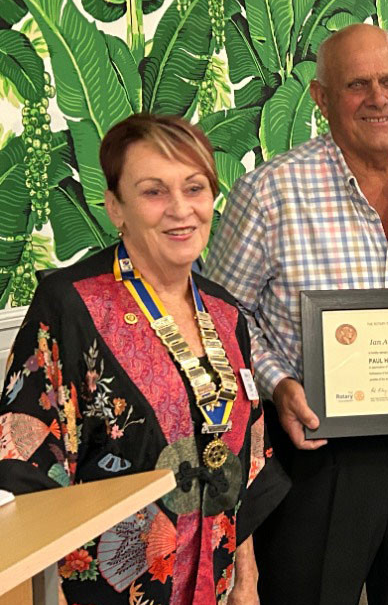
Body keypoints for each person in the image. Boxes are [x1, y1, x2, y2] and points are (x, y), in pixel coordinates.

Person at [203, 24, 388, 605]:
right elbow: (221, 320)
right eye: (357, 84)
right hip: (317, 453)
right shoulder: (271, 193)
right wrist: (278, 384)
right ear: (321, 97)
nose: (378, 98)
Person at [0, 113, 288, 604]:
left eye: (195, 188)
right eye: (154, 192)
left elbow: (243, 462)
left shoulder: (225, 313)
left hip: (212, 583)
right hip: (110, 590)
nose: (181, 210)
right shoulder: (72, 307)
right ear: (116, 206)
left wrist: (248, 579)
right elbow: (21, 475)